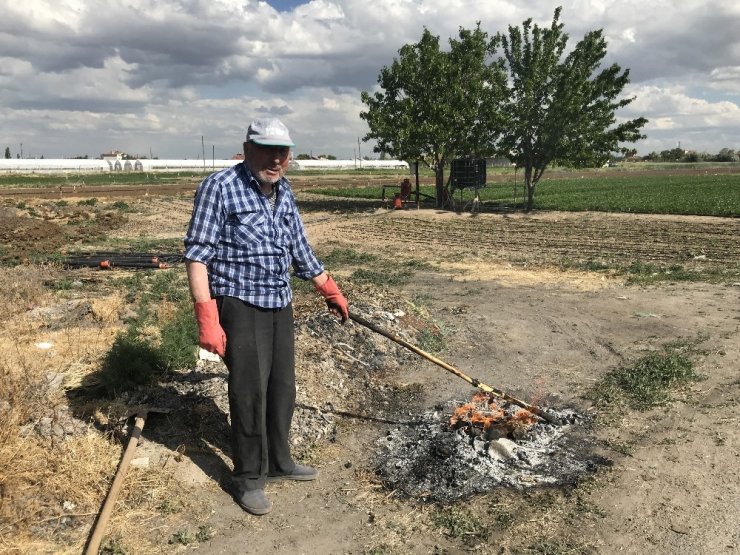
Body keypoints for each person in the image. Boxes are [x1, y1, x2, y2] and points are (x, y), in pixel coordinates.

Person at [184, 118, 349, 516]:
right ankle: (248, 477)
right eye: (266, 149)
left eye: (283, 151)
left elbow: (298, 246)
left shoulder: (283, 191)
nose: (275, 159)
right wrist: (207, 315)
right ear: (248, 147)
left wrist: (327, 286)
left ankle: (279, 461)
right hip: (239, 304)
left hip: (279, 301)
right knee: (248, 392)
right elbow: (197, 254)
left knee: (281, 387)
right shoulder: (220, 187)